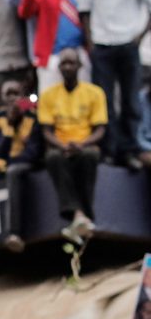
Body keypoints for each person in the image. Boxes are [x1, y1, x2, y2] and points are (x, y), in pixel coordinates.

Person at [80, 0, 151, 169]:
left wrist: (139, 37)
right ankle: (110, 150)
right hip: (102, 46)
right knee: (105, 102)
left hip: (128, 45)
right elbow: (85, 12)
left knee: (131, 100)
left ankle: (131, 150)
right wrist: (90, 43)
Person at [38, 48, 107, 242]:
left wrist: (81, 144)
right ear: (59, 68)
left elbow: (100, 129)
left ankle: (82, 215)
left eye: (71, 63)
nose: (68, 67)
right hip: (60, 147)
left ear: (80, 66)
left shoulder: (95, 93)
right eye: (64, 64)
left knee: (89, 156)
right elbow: (46, 131)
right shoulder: (48, 95)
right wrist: (63, 146)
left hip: (85, 145)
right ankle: (79, 214)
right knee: (53, 158)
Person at [0, 80, 44, 252]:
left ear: (23, 96)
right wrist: (10, 126)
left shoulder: (33, 117)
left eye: (15, 93)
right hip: (3, 164)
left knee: (13, 171)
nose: (12, 98)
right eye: (8, 94)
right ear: (2, 98)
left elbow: (34, 153)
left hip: (23, 165)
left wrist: (8, 162)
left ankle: (14, 233)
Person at [18, 0, 88, 93]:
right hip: (51, 55)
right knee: (49, 97)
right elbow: (25, 12)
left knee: (82, 96)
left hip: (78, 53)